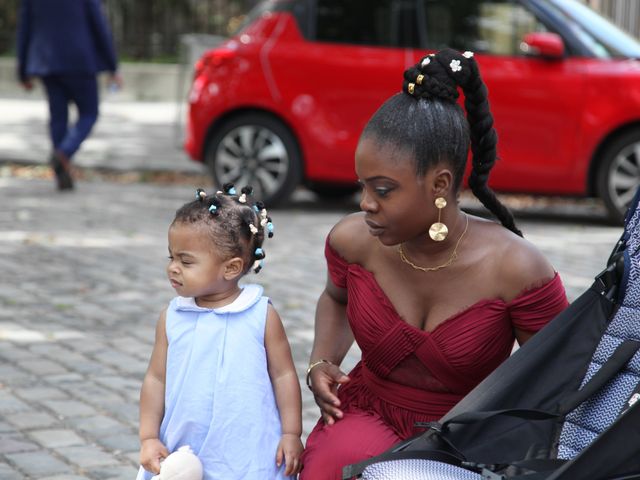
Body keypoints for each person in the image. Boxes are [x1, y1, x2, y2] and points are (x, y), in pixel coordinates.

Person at [300, 48, 570, 479]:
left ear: (440, 184)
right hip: (372, 414)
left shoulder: (516, 269)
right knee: (331, 466)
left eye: (384, 190)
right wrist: (321, 362)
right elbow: (335, 297)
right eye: (362, 186)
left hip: (468, 437)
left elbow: (561, 372)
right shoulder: (354, 241)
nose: (366, 204)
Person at [136, 185, 303, 479]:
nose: (173, 268)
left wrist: (291, 432)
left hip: (247, 449)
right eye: (171, 257)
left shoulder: (260, 314)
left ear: (231, 268)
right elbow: (156, 378)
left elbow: (284, 375)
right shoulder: (172, 317)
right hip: (186, 447)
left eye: (186, 261)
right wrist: (149, 437)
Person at [16, 0, 122, 191]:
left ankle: (61, 173)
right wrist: (112, 66)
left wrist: (22, 71)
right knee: (89, 113)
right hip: (79, 60)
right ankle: (64, 153)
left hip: (47, 62)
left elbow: (25, 28)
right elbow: (98, 24)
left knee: (58, 118)